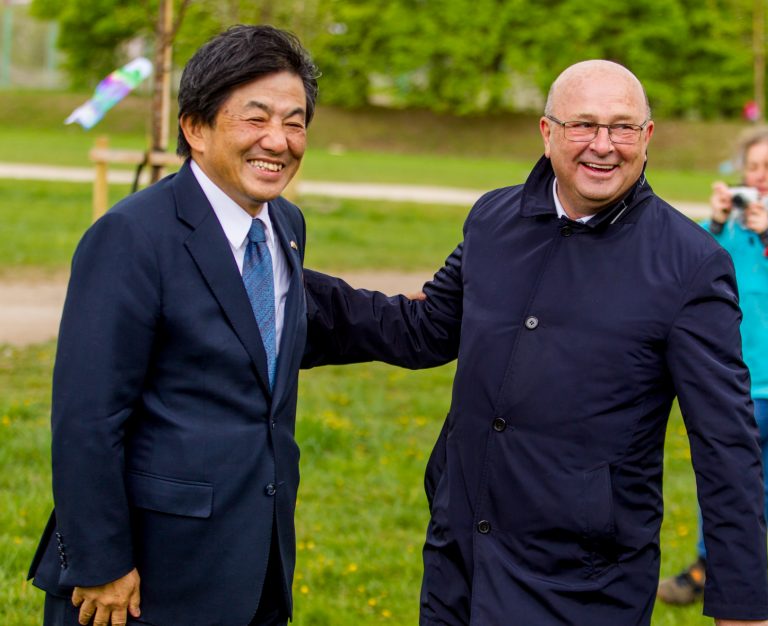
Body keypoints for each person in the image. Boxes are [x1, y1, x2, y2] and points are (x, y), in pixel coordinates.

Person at [303, 60, 768, 625]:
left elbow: (726, 445)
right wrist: (282, 285)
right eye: (584, 125)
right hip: (461, 557)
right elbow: (423, 330)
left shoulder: (691, 265)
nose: (603, 145)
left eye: (622, 127)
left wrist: (741, 608)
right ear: (547, 133)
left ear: (647, 138)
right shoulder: (492, 220)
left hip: (584, 581)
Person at [26, 25, 452, 626]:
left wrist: (486, 269)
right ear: (195, 128)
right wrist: (100, 564)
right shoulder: (132, 237)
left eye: (295, 121)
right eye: (256, 119)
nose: (278, 141)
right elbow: (86, 418)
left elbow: (322, 320)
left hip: (255, 567)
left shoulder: (284, 227)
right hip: (143, 583)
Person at [658, 126, 768, 617]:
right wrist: (716, 225)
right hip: (740, 365)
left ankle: (703, 567)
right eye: (751, 166)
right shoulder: (735, 218)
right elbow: (686, 268)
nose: (756, 177)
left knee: (724, 456)